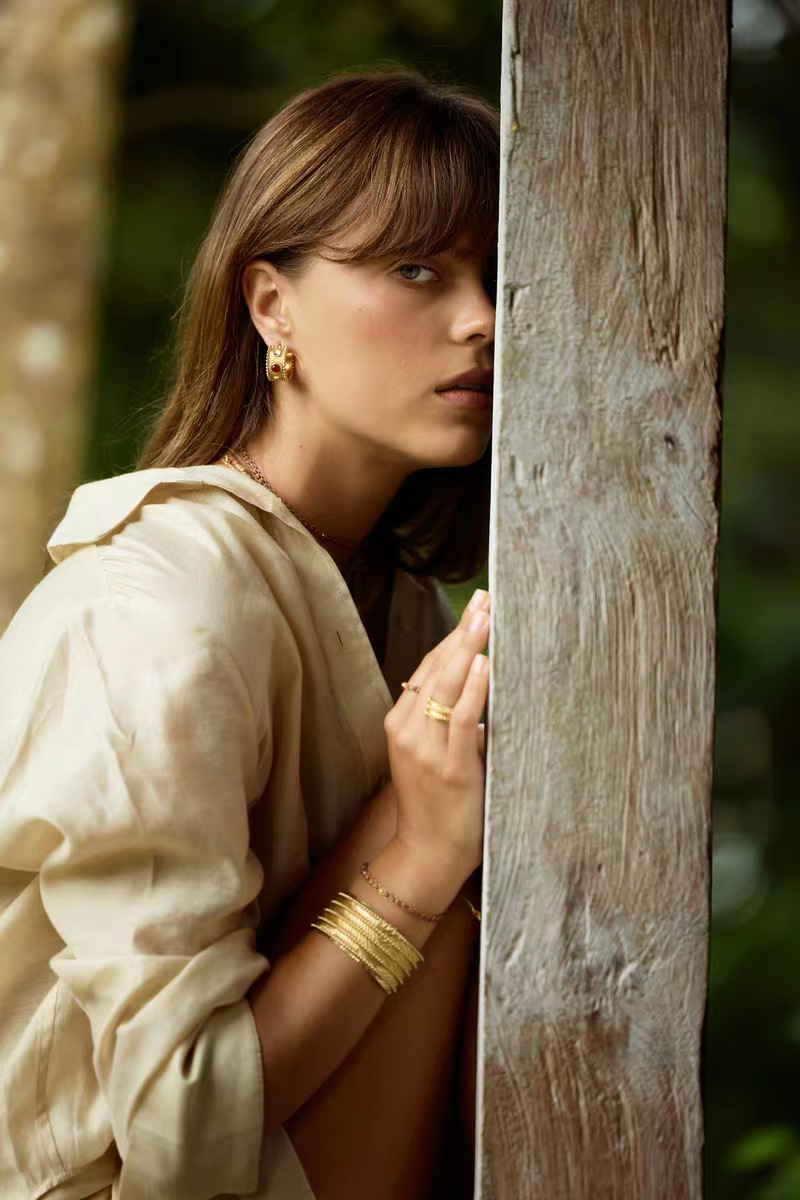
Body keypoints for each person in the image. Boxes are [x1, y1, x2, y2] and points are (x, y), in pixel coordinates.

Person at [0, 66, 496, 1200]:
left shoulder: (400, 604)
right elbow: (180, 1125)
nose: (481, 319)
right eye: (416, 269)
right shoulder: (159, 607)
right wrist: (419, 863)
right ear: (271, 306)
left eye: (495, 275)